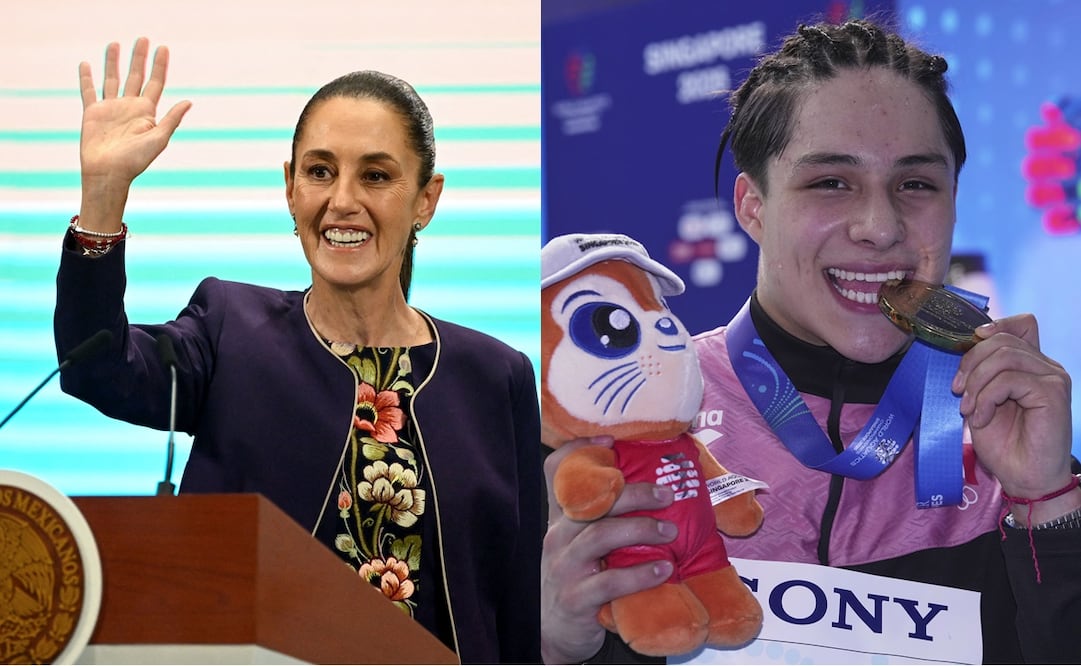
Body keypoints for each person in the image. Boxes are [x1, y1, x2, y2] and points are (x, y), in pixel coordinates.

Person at [540, 17, 1079, 664]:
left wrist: (1048, 505)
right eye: (829, 182)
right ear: (751, 207)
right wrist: (552, 643)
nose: (879, 228)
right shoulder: (625, 426)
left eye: (915, 184)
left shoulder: (1002, 428)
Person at [54, 38, 542, 664]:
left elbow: (519, 606)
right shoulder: (231, 327)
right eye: (319, 171)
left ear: (426, 199)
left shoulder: (496, 375)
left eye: (375, 175)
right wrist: (103, 195)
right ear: (290, 190)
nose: (342, 200)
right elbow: (96, 367)